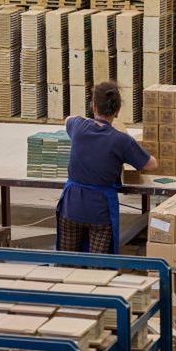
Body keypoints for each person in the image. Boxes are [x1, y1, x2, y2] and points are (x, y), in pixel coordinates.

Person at [57, 82, 158, 254]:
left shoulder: (78, 127)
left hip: (71, 208)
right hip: (100, 211)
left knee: (67, 261)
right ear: (117, 111)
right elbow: (151, 164)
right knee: (99, 264)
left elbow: (68, 119)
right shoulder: (121, 140)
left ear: (93, 107)